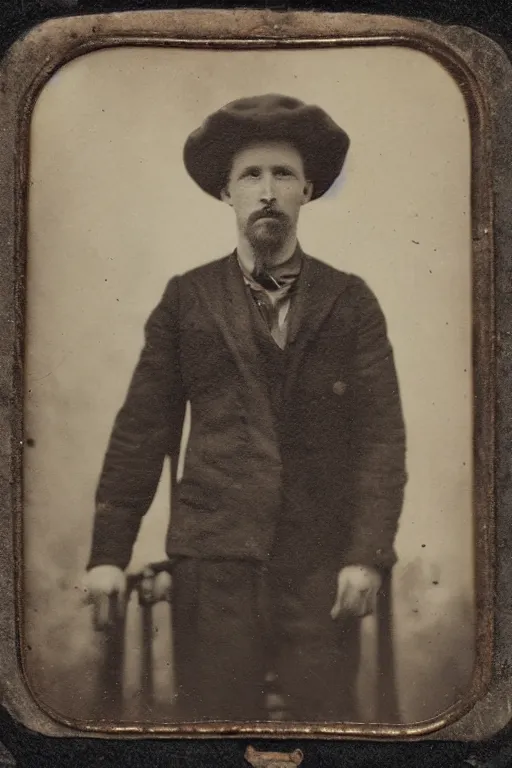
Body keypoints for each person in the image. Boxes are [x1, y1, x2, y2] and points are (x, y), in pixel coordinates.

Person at [83, 94, 407, 723]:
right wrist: (106, 556)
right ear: (225, 194)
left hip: (319, 567)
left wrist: (366, 555)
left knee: (324, 725)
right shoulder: (187, 299)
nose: (267, 191)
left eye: (283, 174)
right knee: (212, 726)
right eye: (250, 175)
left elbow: (380, 439)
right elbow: (141, 431)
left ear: (308, 190)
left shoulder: (351, 301)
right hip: (214, 564)